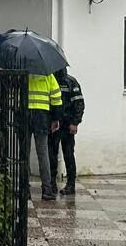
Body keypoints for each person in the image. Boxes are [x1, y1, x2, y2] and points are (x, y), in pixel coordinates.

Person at [25, 70, 63, 201]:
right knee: (43, 153)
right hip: (41, 116)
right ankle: (47, 189)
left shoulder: (21, 72)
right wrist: (55, 118)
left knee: (24, 153)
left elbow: (12, 92)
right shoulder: (47, 74)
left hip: (24, 114)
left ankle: (24, 189)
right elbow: (57, 98)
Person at [47, 68, 85, 197]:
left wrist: (75, 122)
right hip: (54, 124)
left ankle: (71, 184)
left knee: (68, 154)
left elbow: (79, 103)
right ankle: (51, 183)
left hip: (67, 124)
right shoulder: (50, 80)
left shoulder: (71, 82)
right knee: (51, 153)